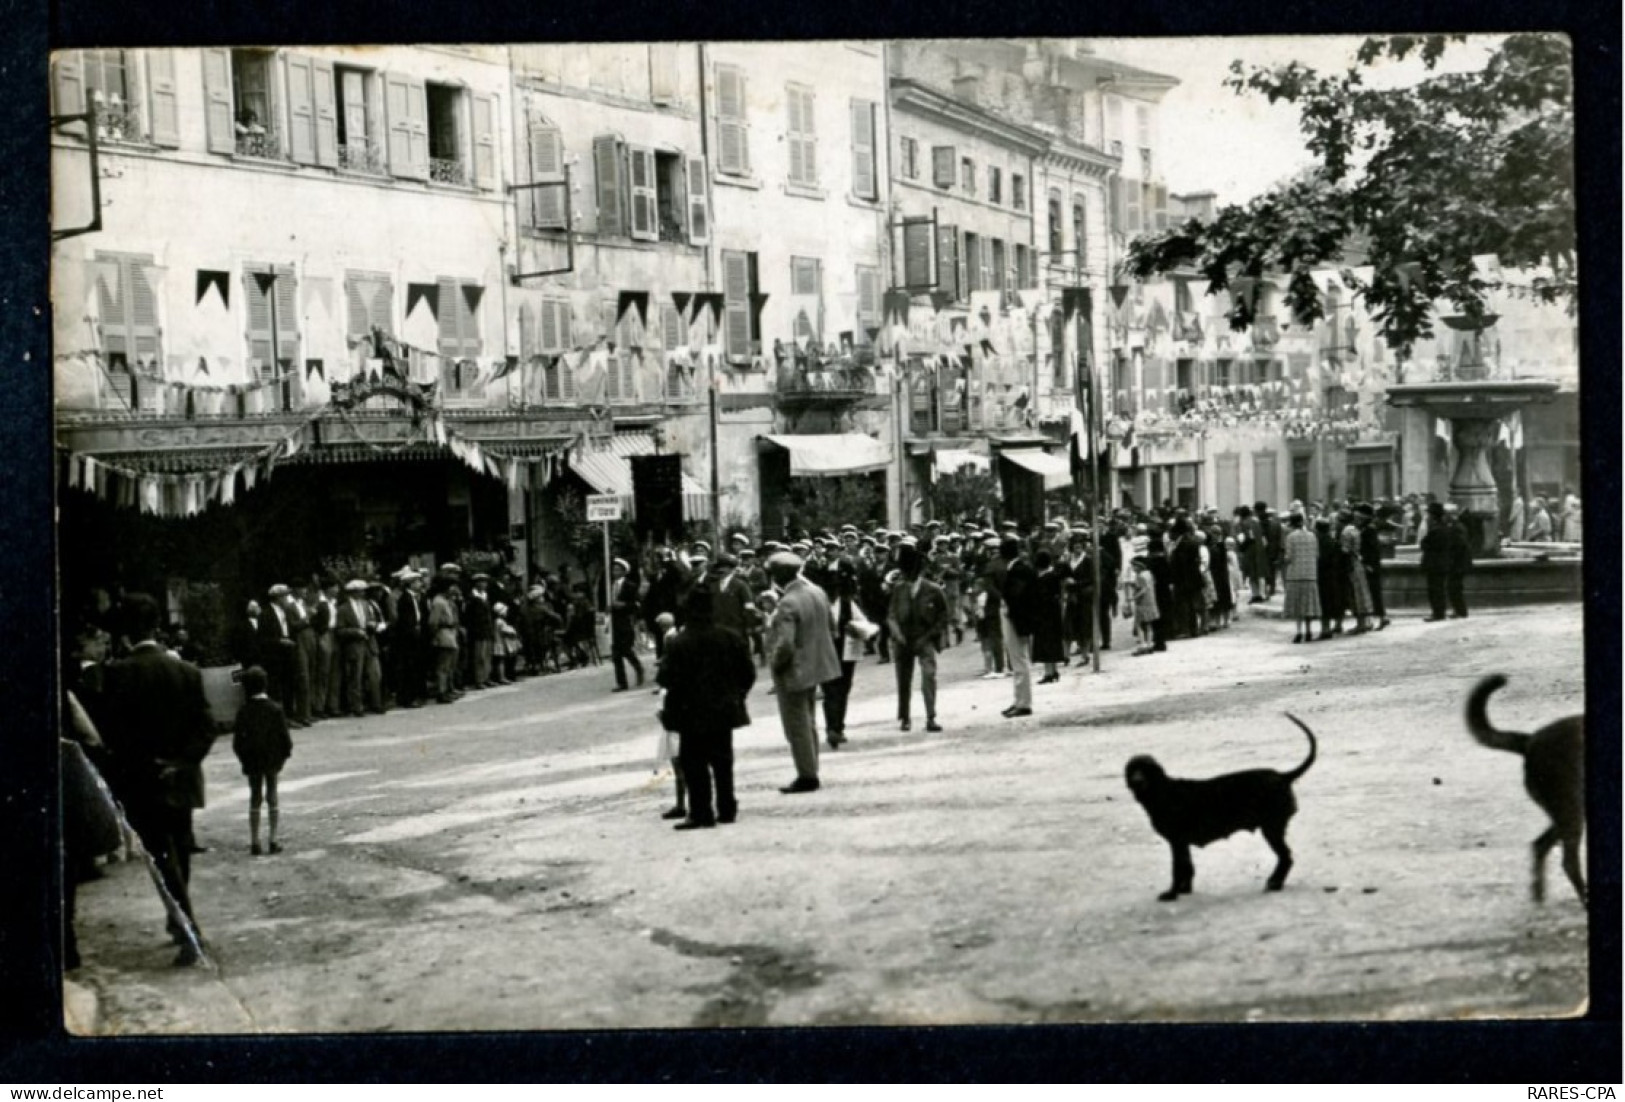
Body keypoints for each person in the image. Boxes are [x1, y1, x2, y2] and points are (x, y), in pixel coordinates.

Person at [92, 593, 217, 965]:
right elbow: (205, 727)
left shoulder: (116, 674)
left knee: (161, 856)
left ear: (127, 633)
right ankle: (179, 920)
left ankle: (186, 926)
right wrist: (180, 762)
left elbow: (112, 734)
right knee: (180, 847)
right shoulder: (187, 672)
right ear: (156, 628)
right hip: (181, 776)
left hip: (141, 780)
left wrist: (141, 765)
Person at [657, 588, 757, 829]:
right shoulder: (730, 637)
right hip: (723, 708)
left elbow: (665, 678)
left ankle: (701, 812)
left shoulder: (679, 643)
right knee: (723, 760)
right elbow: (748, 673)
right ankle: (727, 808)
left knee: (694, 762)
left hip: (690, 710)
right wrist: (737, 694)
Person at [765, 552, 840, 794]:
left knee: (796, 724)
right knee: (808, 721)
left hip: (794, 669)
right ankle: (811, 768)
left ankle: (807, 775)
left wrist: (775, 664)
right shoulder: (817, 592)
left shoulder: (788, 601)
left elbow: (785, 644)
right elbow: (832, 627)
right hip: (817, 664)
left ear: (778, 575)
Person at [886, 542, 948, 733]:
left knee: (928, 676)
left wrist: (930, 636)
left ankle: (931, 716)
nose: (907, 574)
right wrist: (897, 634)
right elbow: (891, 615)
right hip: (903, 639)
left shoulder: (933, 590)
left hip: (925, 637)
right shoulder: (898, 589)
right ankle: (904, 717)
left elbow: (943, 616)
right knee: (903, 679)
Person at [231, 666, 293, 856]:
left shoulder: (244, 711)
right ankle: (273, 839)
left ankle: (254, 841)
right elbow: (285, 740)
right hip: (272, 758)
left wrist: (244, 759)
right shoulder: (275, 709)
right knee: (272, 795)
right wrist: (282, 757)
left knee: (255, 797)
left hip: (252, 759)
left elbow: (237, 742)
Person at [823, 560, 875, 749]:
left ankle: (838, 726)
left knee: (843, 689)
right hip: (825, 651)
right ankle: (832, 728)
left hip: (845, 651)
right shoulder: (819, 603)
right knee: (830, 690)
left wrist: (856, 629)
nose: (833, 590)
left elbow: (864, 623)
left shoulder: (847, 604)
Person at [997, 537, 1037, 719]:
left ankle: (1024, 702)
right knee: (1018, 659)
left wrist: (1010, 609)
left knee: (1019, 660)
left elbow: (1017, 595)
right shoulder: (1020, 567)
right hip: (1018, 617)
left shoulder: (1018, 569)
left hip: (1016, 618)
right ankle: (1020, 699)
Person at [1281, 512, 1321, 644]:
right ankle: (1309, 631)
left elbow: (1288, 556)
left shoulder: (1290, 537)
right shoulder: (1312, 536)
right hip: (1310, 574)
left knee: (1298, 606)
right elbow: (1316, 554)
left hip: (1295, 574)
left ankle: (1299, 632)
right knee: (1308, 605)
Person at [608, 558, 645, 692]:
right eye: (613, 569)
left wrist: (623, 605)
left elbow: (636, 605)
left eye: (618, 569)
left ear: (624, 571)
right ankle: (621, 682)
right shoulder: (611, 585)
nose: (614, 572)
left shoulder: (630, 585)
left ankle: (638, 667)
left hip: (626, 621)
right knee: (616, 653)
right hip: (614, 622)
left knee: (626, 649)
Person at [1031, 549, 1067, 684]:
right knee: (1053, 642)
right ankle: (1054, 670)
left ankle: (1048, 673)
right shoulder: (1054, 576)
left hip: (1044, 614)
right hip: (1053, 613)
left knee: (1045, 643)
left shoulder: (1043, 577)